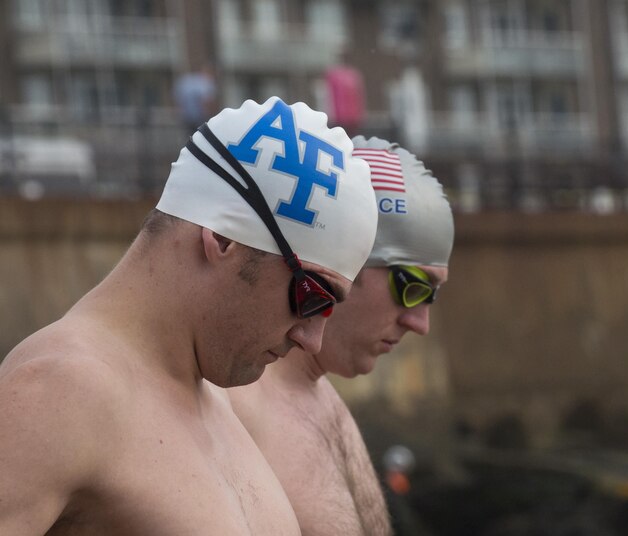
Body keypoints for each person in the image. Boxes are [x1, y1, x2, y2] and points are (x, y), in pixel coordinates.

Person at [0, 97, 378, 535]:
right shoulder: (58, 390)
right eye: (311, 297)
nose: (313, 340)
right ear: (222, 238)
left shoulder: (216, 399)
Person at [228, 136, 454, 535]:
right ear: (347, 259)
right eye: (412, 286)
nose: (420, 323)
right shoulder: (234, 411)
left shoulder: (325, 402)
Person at [174, 64, 218, 135]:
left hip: (187, 116)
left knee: (190, 136)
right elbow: (207, 101)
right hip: (200, 117)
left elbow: (179, 99)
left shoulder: (186, 81)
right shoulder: (206, 83)